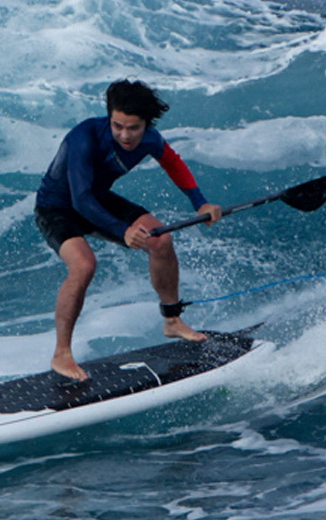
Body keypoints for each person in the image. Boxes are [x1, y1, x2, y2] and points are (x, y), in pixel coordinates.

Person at [34, 79, 222, 381]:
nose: (124, 135)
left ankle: (172, 320)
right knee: (83, 265)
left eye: (132, 128)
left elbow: (173, 163)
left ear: (146, 124)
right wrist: (123, 231)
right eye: (117, 125)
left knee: (160, 239)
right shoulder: (84, 137)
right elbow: (80, 200)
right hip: (58, 207)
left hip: (97, 199)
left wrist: (200, 202)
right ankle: (61, 354)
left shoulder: (150, 139)